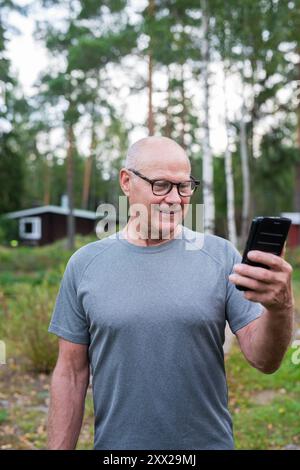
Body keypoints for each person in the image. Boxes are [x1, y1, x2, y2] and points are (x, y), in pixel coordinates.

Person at [47, 136, 294, 450]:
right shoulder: (85, 265)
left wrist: (280, 308)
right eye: (161, 185)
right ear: (126, 181)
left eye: (184, 186)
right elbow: (70, 373)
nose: (175, 199)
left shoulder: (220, 256)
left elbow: (264, 360)